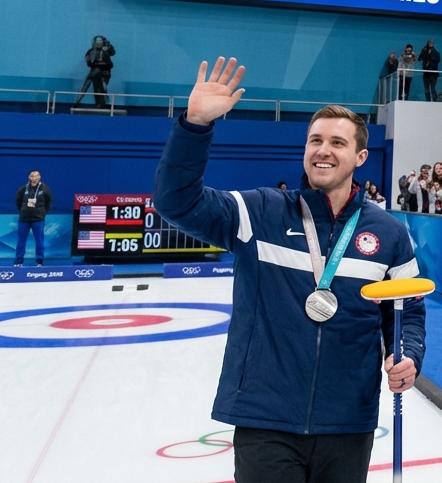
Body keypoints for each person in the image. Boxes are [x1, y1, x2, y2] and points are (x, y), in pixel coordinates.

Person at [153, 58, 425, 482]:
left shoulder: (388, 234)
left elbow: (406, 313)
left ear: (360, 156)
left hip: (347, 421)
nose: (323, 150)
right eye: (315, 140)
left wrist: (407, 356)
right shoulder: (259, 212)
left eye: (337, 142)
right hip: (266, 417)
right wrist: (194, 126)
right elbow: (177, 202)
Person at [13, 170, 52, 267]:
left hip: (38, 219)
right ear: (29, 177)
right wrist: (23, 211)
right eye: (32, 176)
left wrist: (42, 213)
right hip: (24, 219)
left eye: (36, 176)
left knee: (39, 240)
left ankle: (39, 261)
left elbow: (49, 202)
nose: (34, 178)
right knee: (21, 240)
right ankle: (18, 261)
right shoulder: (23, 188)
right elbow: (18, 200)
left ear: (39, 177)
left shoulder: (45, 188)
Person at [77, 35, 116, 108]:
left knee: (103, 87)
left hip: (105, 72)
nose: (98, 43)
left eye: (100, 41)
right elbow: (88, 60)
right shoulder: (91, 51)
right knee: (87, 86)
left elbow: (112, 53)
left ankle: (103, 104)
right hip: (94, 72)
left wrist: (109, 46)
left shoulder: (106, 50)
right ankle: (77, 101)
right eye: (97, 42)